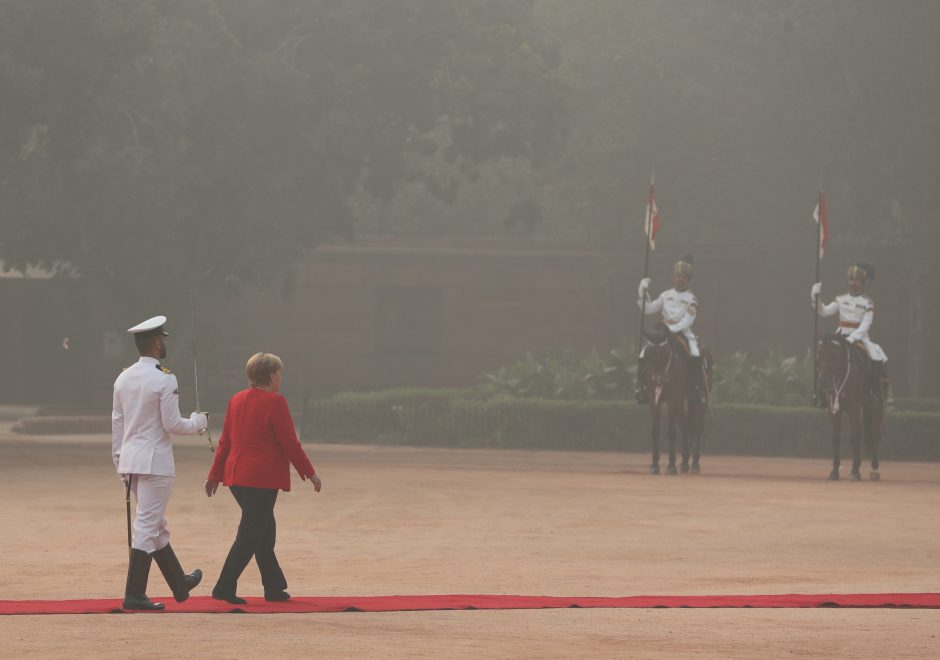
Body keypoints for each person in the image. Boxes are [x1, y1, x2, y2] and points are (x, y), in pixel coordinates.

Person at [205, 352, 322, 604]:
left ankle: (273, 586)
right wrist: (310, 473)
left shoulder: (236, 399)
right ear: (271, 376)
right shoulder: (275, 402)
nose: (281, 378)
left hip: (236, 476)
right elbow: (289, 443)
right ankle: (224, 587)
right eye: (279, 373)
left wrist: (215, 475)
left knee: (264, 529)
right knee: (251, 533)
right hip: (261, 478)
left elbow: (225, 442)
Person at [112, 315, 209, 611]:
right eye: (163, 339)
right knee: (146, 526)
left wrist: (119, 462)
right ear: (156, 342)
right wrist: (198, 422)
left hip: (131, 461)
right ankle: (135, 594)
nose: (164, 343)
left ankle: (179, 583)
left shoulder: (123, 377)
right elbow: (172, 424)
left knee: (157, 526)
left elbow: (118, 424)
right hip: (155, 463)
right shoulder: (165, 378)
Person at [811, 262, 889, 398]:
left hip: (859, 338)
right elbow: (824, 312)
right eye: (851, 280)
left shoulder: (868, 302)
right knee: (823, 352)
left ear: (863, 283)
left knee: (876, 356)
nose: (853, 283)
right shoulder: (840, 299)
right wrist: (815, 297)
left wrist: (853, 338)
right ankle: (820, 392)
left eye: (857, 281)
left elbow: (866, 324)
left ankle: (873, 391)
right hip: (840, 336)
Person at [636, 255, 708, 404]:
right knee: (643, 353)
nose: (680, 279)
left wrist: (673, 330)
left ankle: (697, 389)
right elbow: (648, 309)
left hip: (683, 331)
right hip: (663, 332)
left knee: (695, 353)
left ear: (688, 279)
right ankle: (642, 388)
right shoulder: (665, 295)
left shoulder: (691, 299)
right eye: (677, 276)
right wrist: (642, 292)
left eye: (683, 277)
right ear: (674, 277)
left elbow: (688, 320)